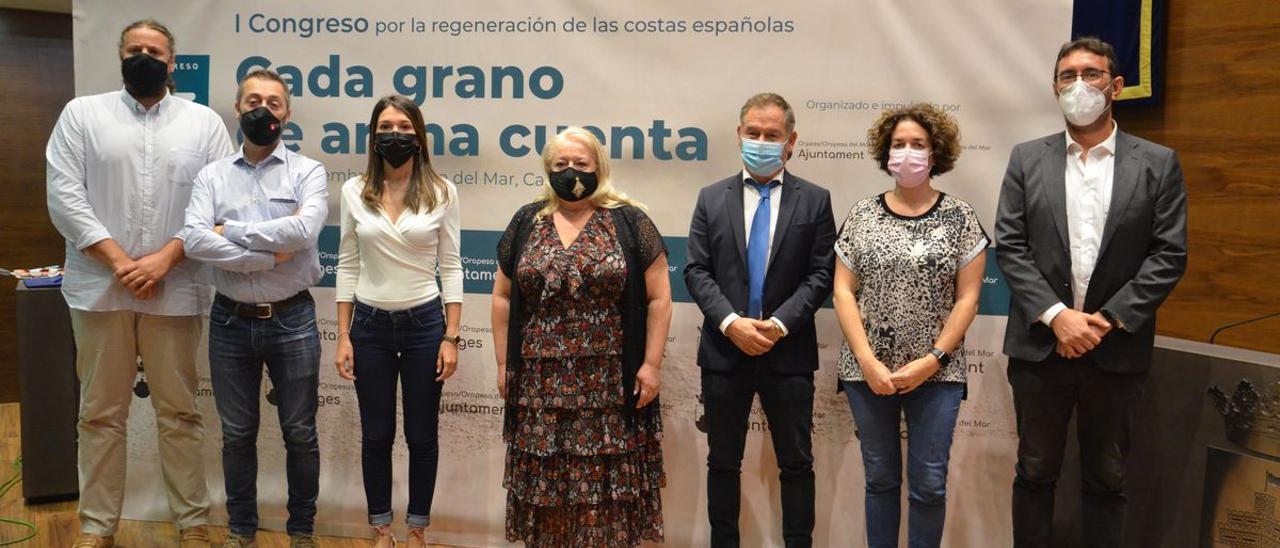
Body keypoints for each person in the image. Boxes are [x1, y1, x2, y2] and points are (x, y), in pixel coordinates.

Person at [45, 18, 232, 548]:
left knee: (179, 412)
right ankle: (96, 528)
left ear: (173, 63)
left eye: (155, 50)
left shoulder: (204, 124)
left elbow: (217, 207)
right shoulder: (82, 115)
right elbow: (65, 197)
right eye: (135, 49)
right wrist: (122, 262)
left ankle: (193, 524)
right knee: (100, 414)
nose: (144, 56)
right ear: (120, 56)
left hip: (175, 288)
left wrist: (162, 262)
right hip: (99, 290)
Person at [995, 37, 1187, 548]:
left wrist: (1100, 322)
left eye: (1091, 73)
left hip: (1115, 349)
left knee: (1107, 479)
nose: (1078, 85)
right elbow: (1011, 247)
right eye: (1066, 76)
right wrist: (1058, 317)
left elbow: (1168, 256)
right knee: (1034, 474)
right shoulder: (1026, 159)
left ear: (1116, 86)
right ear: (1055, 88)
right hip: (1039, 349)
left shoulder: (1158, 163)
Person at [491, 127, 671, 547]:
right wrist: (503, 364)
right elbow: (501, 297)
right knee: (548, 495)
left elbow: (660, 298)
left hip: (611, 385)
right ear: (547, 169)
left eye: (581, 164)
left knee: (605, 499)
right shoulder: (526, 221)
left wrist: (651, 364)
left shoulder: (629, 221)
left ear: (599, 168)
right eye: (561, 164)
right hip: (540, 387)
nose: (571, 172)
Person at [181, 69, 328, 548]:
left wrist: (233, 231)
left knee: (300, 433)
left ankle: (301, 531)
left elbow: (303, 233)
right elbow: (196, 240)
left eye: (273, 102)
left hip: (293, 318)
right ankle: (241, 529)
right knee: (237, 434)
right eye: (252, 100)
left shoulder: (308, 172)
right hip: (229, 320)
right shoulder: (212, 175)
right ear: (238, 108)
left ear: (287, 113)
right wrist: (267, 253)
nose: (263, 109)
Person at [684, 92, 836, 548]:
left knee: (796, 464)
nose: (762, 142)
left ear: (791, 141)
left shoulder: (815, 200)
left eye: (772, 135)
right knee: (723, 463)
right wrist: (731, 322)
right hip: (724, 351)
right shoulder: (711, 198)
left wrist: (779, 324)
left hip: (787, 351)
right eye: (754, 133)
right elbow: (695, 269)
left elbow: (821, 273)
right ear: (739, 135)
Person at [832, 103, 987, 548]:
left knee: (929, 485)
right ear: (885, 153)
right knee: (879, 479)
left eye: (917, 144)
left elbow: (969, 298)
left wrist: (932, 360)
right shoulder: (863, 214)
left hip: (937, 373)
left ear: (935, 152)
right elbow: (843, 292)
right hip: (868, 373)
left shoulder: (960, 217)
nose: (907, 153)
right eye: (898, 144)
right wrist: (867, 361)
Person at [333, 95, 463, 548]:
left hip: (426, 325)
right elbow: (347, 264)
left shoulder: (442, 191)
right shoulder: (353, 191)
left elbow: (452, 267)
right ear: (372, 137)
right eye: (386, 126)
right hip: (368, 327)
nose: (396, 135)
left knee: (422, 435)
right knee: (377, 435)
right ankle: (382, 528)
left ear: (420, 137)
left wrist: (452, 336)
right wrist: (343, 335)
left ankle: (417, 529)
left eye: (405, 128)